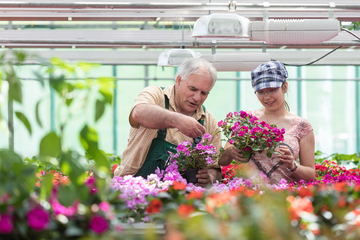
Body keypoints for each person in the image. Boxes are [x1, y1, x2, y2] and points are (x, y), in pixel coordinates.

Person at [114, 57, 222, 187]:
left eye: (204, 93)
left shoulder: (208, 121)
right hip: (133, 192)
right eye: (193, 89)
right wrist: (178, 120)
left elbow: (215, 168)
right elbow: (139, 113)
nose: (197, 98)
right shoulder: (156, 95)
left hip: (178, 200)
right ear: (179, 81)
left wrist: (209, 176)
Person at [219, 61, 315, 183]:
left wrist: (293, 165)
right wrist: (230, 152)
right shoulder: (247, 120)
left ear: (284, 86)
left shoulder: (302, 126)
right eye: (261, 92)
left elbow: (311, 175)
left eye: (272, 90)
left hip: (285, 196)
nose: (266, 97)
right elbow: (222, 161)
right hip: (250, 196)